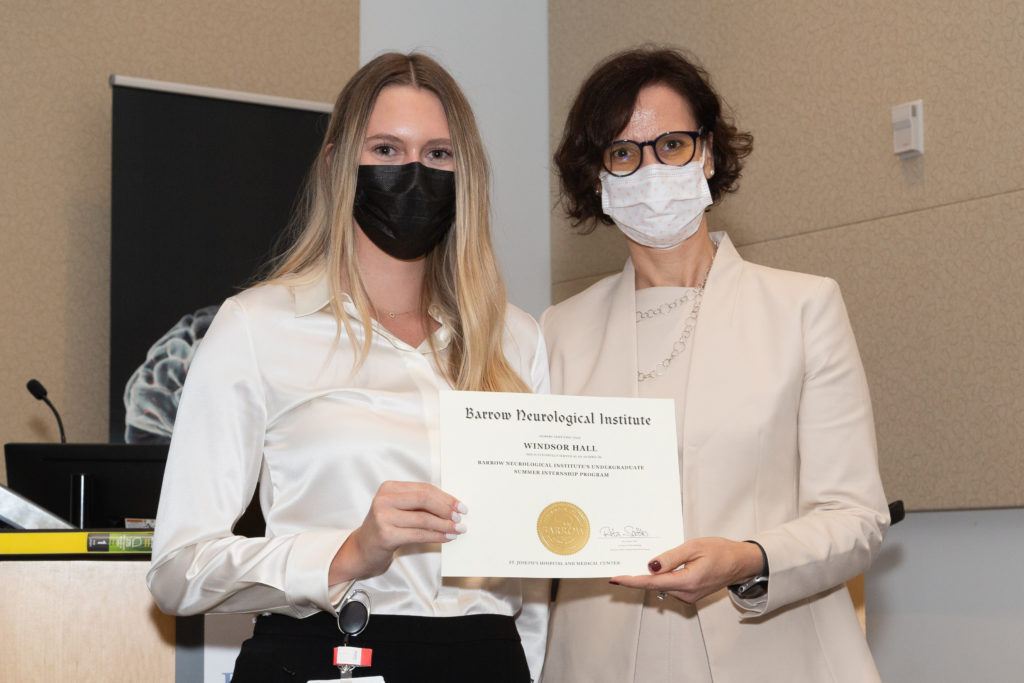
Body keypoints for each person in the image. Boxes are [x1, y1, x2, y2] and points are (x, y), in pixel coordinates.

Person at [147, 52, 550, 683]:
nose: (415, 172)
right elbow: (177, 571)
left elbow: (531, 578)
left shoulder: (516, 339)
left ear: (467, 173)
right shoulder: (257, 326)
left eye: (439, 155)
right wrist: (346, 552)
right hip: (325, 654)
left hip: (487, 661)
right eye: (387, 150)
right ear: (338, 164)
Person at [540, 47, 889, 682]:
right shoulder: (557, 333)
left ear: (706, 152)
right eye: (623, 153)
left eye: (670, 145)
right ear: (597, 177)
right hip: (603, 658)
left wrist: (748, 558)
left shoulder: (803, 307)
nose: (649, 169)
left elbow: (856, 518)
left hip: (770, 650)